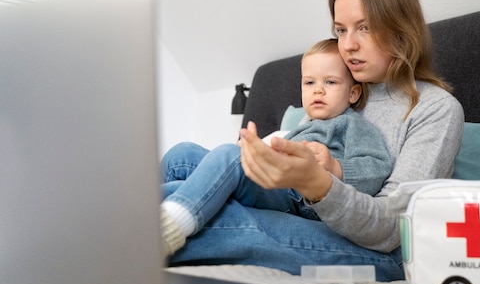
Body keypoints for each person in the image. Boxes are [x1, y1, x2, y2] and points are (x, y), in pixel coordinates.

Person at [164, 0, 464, 282]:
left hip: (379, 254)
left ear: (402, 29)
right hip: (296, 206)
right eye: (341, 30)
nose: (348, 45)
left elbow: (391, 231)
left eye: (365, 28)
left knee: (218, 218)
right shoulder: (334, 87)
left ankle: (128, 237)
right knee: (182, 160)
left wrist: (316, 182)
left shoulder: (434, 108)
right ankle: (128, 222)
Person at [161, 38, 392, 255]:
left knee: (230, 155)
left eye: (330, 82)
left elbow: (378, 166)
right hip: (272, 181)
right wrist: (254, 151)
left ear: (353, 93)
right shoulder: (297, 130)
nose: (318, 90)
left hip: (301, 200)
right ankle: (144, 214)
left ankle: (167, 229)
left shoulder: (351, 124)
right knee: (181, 154)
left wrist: (335, 166)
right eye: (309, 82)